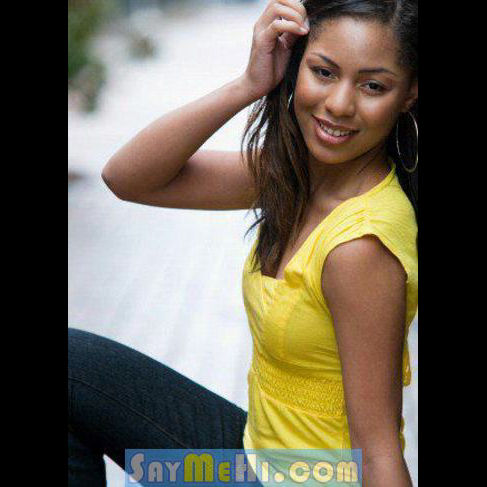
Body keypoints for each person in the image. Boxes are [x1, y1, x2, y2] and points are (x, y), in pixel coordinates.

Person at [68, 0, 418, 485]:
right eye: (323, 72)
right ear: (295, 66)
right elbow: (127, 177)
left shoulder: (360, 248)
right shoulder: (296, 178)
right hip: (256, 460)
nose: (340, 104)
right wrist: (248, 84)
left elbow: (378, 452)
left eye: (373, 86)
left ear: (409, 95)